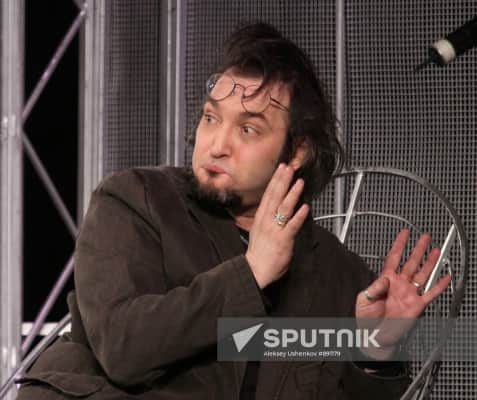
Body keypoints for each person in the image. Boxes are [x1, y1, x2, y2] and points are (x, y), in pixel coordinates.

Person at [16, 22, 450, 400]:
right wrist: (251, 272)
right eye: (211, 118)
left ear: (297, 150)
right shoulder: (135, 201)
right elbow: (124, 348)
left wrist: (375, 355)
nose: (217, 144)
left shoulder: (343, 278)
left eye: (247, 129)